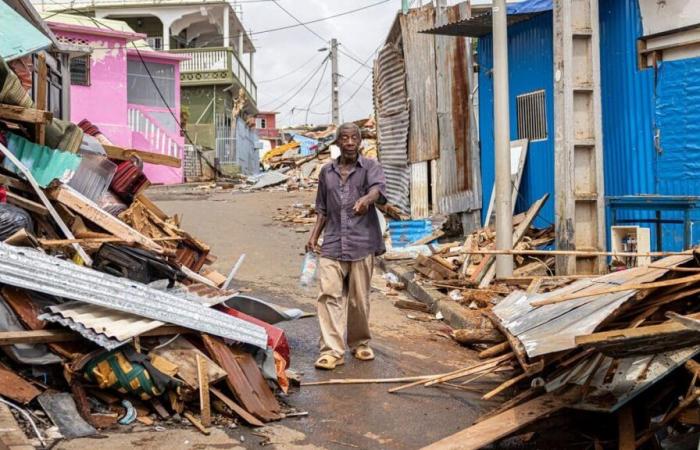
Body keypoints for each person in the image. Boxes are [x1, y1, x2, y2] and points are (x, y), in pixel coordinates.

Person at [306, 122, 387, 370]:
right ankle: (332, 350)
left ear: (360, 141)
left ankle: (359, 342)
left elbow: (378, 191)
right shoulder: (326, 172)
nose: (350, 142)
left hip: (362, 242)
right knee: (329, 295)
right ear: (337, 143)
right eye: (345, 138)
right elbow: (322, 208)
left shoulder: (370, 166)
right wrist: (313, 236)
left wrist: (366, 199)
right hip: (331, 243)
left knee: (358, 300)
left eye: (354, 138)